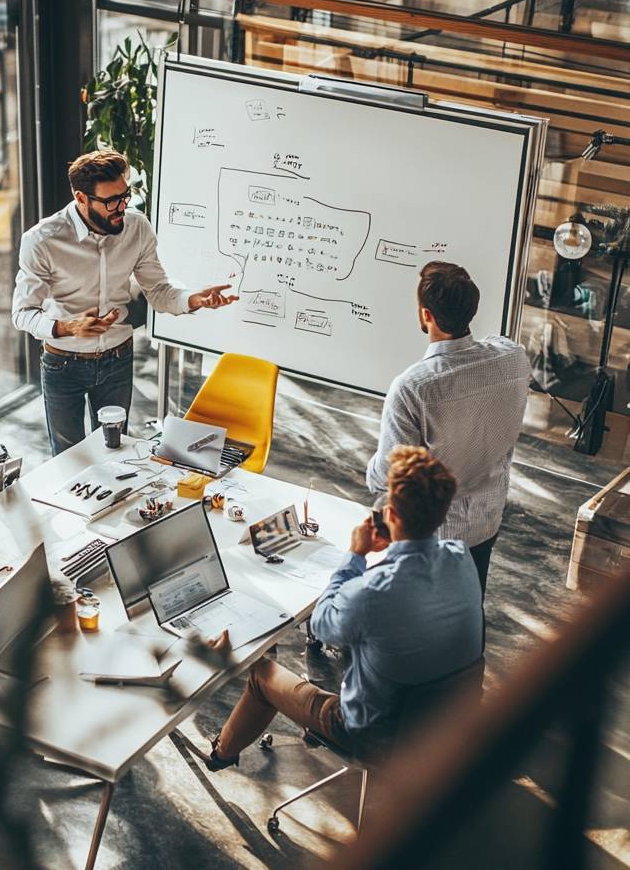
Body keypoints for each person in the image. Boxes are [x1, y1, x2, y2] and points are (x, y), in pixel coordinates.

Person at [207, 446, 483, 769]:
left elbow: (321, 624)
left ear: (390, 516)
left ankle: (220, 754)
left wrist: (356, 554)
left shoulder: (374, 593)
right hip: (450, 723)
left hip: (375, 737)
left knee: (262, 673)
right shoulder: (461, 557)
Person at [12, 149, 238, 456]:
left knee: (115, 452)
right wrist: (68, 327)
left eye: (124, 195)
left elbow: (158, 290)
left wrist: (194, 299)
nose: (121, 207)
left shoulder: (136, 227)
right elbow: (23, 313)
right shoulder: (43, 240)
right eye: (110, 201)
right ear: (81, 198)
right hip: (63, 363)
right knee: (68, 458)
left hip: (117, 359)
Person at [366, 261, 530, 598]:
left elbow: (388, 475)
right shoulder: (514, 357)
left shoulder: (414, 386)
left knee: (427, 624)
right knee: (470, 609)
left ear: (426, 315)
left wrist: (371, 472)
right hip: (488, 518)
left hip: (436, 534)